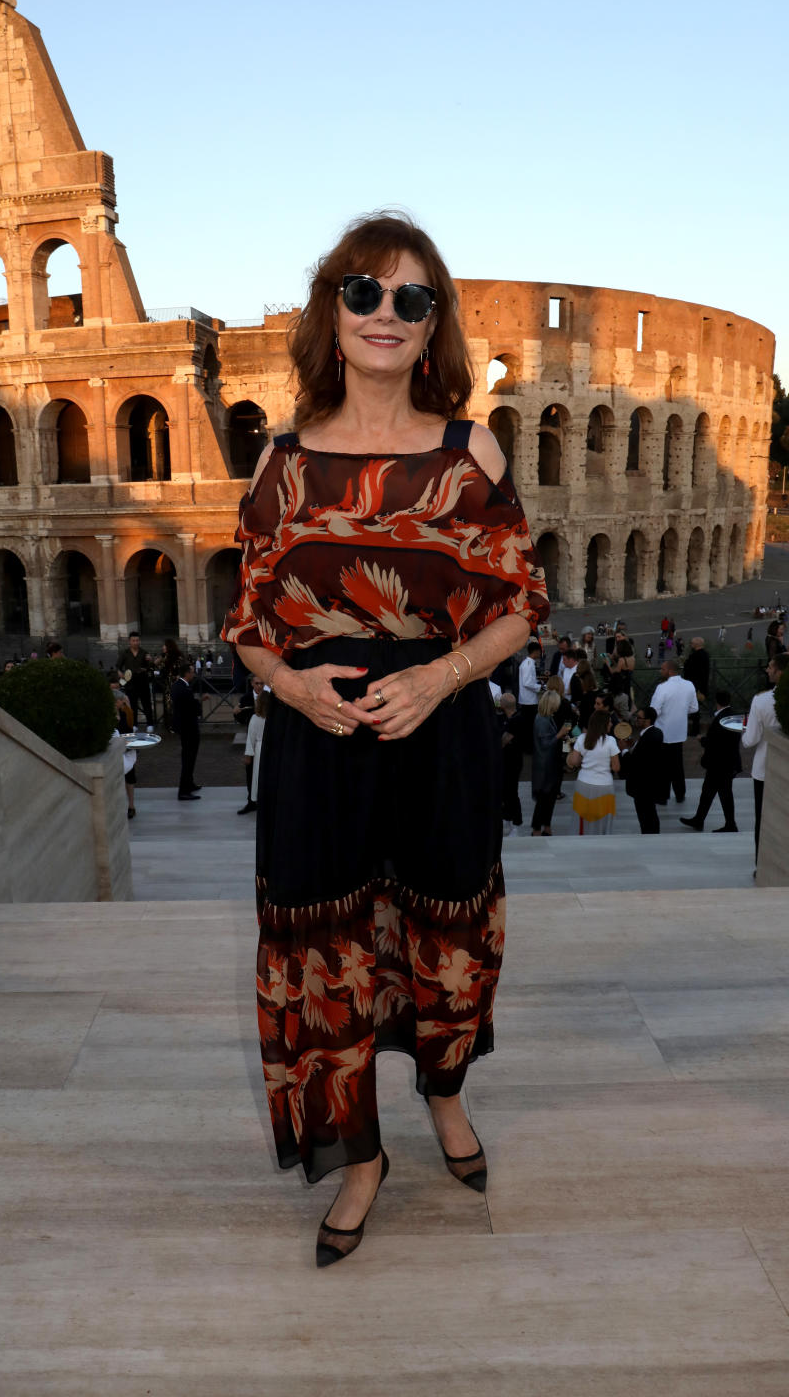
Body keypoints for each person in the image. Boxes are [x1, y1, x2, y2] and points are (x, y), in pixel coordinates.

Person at [220, 212, 549, 1265]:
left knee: (446, 947)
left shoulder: (469, 452)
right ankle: (362, 1159)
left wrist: (444, 676)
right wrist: (292, 686)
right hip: (318, 746)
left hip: (438, 733)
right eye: (364, 291)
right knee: (327, 959)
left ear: (434, 323)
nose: (386, 314)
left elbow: (518, 605)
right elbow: (246, 628)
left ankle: (444, 1096)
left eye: (413, 298)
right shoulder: (280, 463)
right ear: (333, 309)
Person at [742, 652, 789, 864]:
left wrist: (743, 733)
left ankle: (761, 864)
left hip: (765, 767)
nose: (767, 670)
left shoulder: (762, 701)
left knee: (763, 820)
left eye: (771, 667)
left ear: (780, 671)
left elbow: (750, 740)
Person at [680, 689, 741, 832]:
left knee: (720, 794)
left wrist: (702, 739)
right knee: (710, 792)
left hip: (719, 764)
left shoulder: (720, 719)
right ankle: (700, 819)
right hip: (728, 762)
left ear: (717, 702)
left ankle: (728, 824)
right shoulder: (734, 716)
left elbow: (715, 743)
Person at [650, 659, 698, 802]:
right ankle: (680, 794)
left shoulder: (662, 687)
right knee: (677, 765)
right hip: (679, 731)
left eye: (663, 669)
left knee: (662, 765)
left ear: (670, 671)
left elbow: (654, 711)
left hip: (663, 731)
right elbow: (694, 708)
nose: (661, 671)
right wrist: (680, 711)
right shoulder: (689, 685)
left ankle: (662, 796)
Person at [567, 709, 620, 834]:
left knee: (583, 819)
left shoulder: (582, 738)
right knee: (602, 820)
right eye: (609, 722)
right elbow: (616, 767)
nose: (611, 724)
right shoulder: (611, 741)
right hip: (604, 786)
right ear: (603, 724)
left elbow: (574, 761)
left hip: (583, 783)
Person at [618, 706, 666, 834]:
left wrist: (624, 750)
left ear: (648, 720)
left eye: (639, 717)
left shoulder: (649, 736)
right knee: (649, 814)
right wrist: (633, 745)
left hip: (643, 786)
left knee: (646, 816)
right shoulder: (655, 733)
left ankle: (650, 836)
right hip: (648, 785)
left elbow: (637, 762)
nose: (636, 720)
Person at [531, 690, 568, 835]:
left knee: (550, 798)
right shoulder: (542, 720)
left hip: (551, 764)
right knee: (543, 799)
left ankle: (546, 826)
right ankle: (537, 829)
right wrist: (559, 734)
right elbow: (545, 744)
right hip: (544, 767)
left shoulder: (546, 717)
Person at [171, 660, 202, 801]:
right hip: (188, 728)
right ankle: (183, 790)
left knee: (190, 757)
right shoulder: (183, 688)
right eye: (192, 671)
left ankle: (189, 783)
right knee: (188, 758)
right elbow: (190, 707)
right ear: (187, 673)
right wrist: (199, 702)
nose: (194, 673)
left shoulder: (179, 686)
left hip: (186, 727)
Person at [497, 692, 524, 834]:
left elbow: (504, 740)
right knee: (504, 791)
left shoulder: (516, 720)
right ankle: (506, 818)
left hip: (513, 762)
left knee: (512, 792)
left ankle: (517, 824)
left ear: (503, 705)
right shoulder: (504, 718)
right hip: (504, 761)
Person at [239, 690, 269, 813]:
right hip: (270, 749)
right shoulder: (274, 719)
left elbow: (250, 738)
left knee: (257, 776)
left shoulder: (255, 718)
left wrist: (248, 755)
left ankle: (256, 800)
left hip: (259, 749)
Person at [117, 631, 154, 730]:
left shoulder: (144, 652)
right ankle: (134, 724)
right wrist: (120, 674)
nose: (136, 642)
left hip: (143, 680)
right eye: (133, 640)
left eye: (137, 640)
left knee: (146, 702)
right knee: (132, 704)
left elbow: (150, 667)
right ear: (130, 641)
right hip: (130, 682)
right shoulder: (125, 653)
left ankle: (150, 723)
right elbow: (118, 667)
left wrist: (150, 660)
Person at [517, 639, 542, 752]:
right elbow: (527, 682)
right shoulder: (528, 664)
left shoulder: (528, 663)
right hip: (528, 700)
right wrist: (539, 687)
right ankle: (528, 747)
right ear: (535, 651)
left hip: (529, 699)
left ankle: (528, 746)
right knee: (529, 726)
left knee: (529, 725)